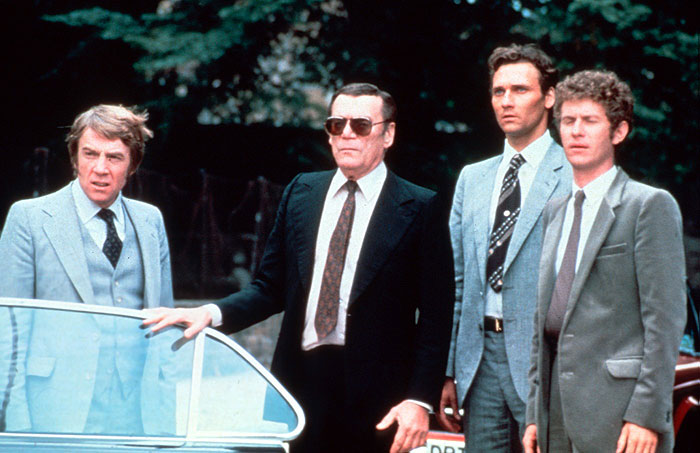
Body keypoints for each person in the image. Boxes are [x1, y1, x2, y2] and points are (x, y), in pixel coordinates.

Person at [144, 82, 454, 453]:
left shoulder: (420, 207)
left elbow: (436, 316)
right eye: (337, 124)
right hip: (301, 390)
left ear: (387, 134)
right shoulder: (301, 192)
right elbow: (269, 287)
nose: (347, 134)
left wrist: (419, 400)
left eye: (361, 125)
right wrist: (209, 313)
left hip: (380, 400)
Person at [523, 69, 686, 453]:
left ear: (619, 131)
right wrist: (534, 414)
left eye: (590, 120)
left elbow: (664, 323)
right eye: (568, 121)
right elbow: (542, 322)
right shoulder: (554, 211)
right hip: (554, 412)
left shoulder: (648, 206)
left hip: (621, 415)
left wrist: (646, 415)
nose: (576, 131)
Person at [0, 105, 174, 434]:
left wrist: (165, 429)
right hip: (54, 413)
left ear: (133, 165)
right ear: (74, 158)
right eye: (90, 154)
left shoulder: (150, 221)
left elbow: (165, 335)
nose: (100, 169)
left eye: (114, 157)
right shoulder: (29, 219)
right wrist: (17, 427)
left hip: (135, 417)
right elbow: (9, 333)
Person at [438, 43, 572, 452]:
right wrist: (449, 369)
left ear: (549, 97)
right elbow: (458, 281)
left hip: (548, 361)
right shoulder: (472, 178)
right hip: (479, 360)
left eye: (520, 89)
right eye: (499, 91)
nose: (506, 101)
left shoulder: (574, 173)